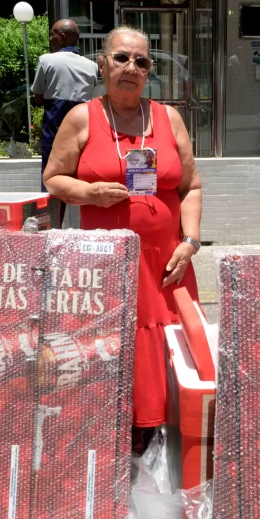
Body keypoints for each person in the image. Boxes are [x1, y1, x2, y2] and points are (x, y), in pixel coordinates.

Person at [43, 26, 202, 445]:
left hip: (167, 263)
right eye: (121, 58)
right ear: (102, 64)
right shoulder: (82, 117)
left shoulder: (168, 118)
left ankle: (172, 437)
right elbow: (54, 178)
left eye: (141, 61)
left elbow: (190, 186)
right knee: (117, 344)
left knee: (172, 346)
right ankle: (117, 439)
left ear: (149, 72)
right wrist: (90, 193)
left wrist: (191, 242)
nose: (131, 67)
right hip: (110, 265)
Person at [32, 19, 99, 202]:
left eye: (52, 34)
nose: (50, 38)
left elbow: (38, 97)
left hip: (54, 133)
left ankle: (53, 219)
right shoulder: (92, 66)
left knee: (51, 184)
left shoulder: (46, 60)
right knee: (84, 184)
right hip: (83, 135)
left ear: (61, 37)